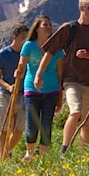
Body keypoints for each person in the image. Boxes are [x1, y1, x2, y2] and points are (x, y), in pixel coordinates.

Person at [35, 0, 89, 154]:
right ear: (81, 8)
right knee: (75, 111)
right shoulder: (69, 29)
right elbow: (50, 52)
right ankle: (65, 149)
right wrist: (39, 74)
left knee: (86, 121)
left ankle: (83, 154)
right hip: (71, 80)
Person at [17, 16, 64, 159]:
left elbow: (59, 73)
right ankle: (29, 154)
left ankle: (43, 157)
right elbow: (22, 64)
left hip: (51, 90)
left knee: (46, 126)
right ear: (37, 28)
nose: (49, 27)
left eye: (50, 25)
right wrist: (18, 72)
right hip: (32, 90)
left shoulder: (58, 49)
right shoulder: (29, 46)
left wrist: (60, 97)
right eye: (45, 25)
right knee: (32, 126)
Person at [0, 24, 29, 159]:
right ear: (15, 37)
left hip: (23, 94)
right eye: (22, 37)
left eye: (27, 38)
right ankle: (3, 158)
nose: (25, 40)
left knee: (19, 129)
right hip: (5, 94)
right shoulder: (3, 53)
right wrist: (8, 87)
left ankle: (7, 151)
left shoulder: (27, 55)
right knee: (4, 129)